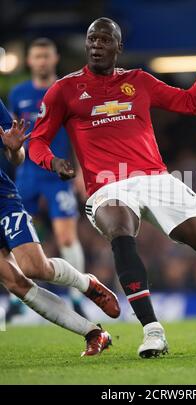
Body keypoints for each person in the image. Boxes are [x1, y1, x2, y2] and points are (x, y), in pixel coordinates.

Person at [29, 17, 196, 357]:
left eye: (104, 39)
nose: (96, 44)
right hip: (108, 184)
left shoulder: (138, 81)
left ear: (118, 47)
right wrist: (54, 163)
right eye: (92, 39)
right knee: (120, 229)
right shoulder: (64, 90)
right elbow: (37, 142)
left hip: (154, 177)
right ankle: (153, 331)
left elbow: (190, 103)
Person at [0, 98, 120, 357]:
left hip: (2, 200)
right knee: (14, 283)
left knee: (33, 267)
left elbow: (17, 155)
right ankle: (93, 333)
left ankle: (86, 283)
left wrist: (13, 150)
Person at [7, 38, 86, 318]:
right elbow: (11, 137)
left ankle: (78, 296)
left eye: (46, 56)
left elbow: (78, 134)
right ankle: (19, 298)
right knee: (17, 236)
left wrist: (82, 173)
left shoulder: (66, 90)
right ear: (30, 61)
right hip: (27, 173)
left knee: (66, 237)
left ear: (54, 60)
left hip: (58, 172)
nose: (41, 61)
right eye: (37, 56)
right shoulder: (18, 94)